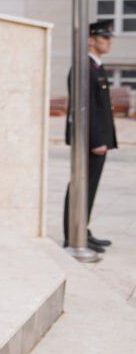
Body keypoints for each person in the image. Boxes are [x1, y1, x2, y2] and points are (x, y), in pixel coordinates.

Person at [63, 19, 119, 252]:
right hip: (90, 141)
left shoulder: (95, 66)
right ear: (90, 40)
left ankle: (82, 230)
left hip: (98, 140)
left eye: (108, 38)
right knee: (80, 186)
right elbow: (86, 108)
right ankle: (73, 234)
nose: (108, 42)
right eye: (104, 37)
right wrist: (97, 140)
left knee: (90, 187)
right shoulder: (83, 67)